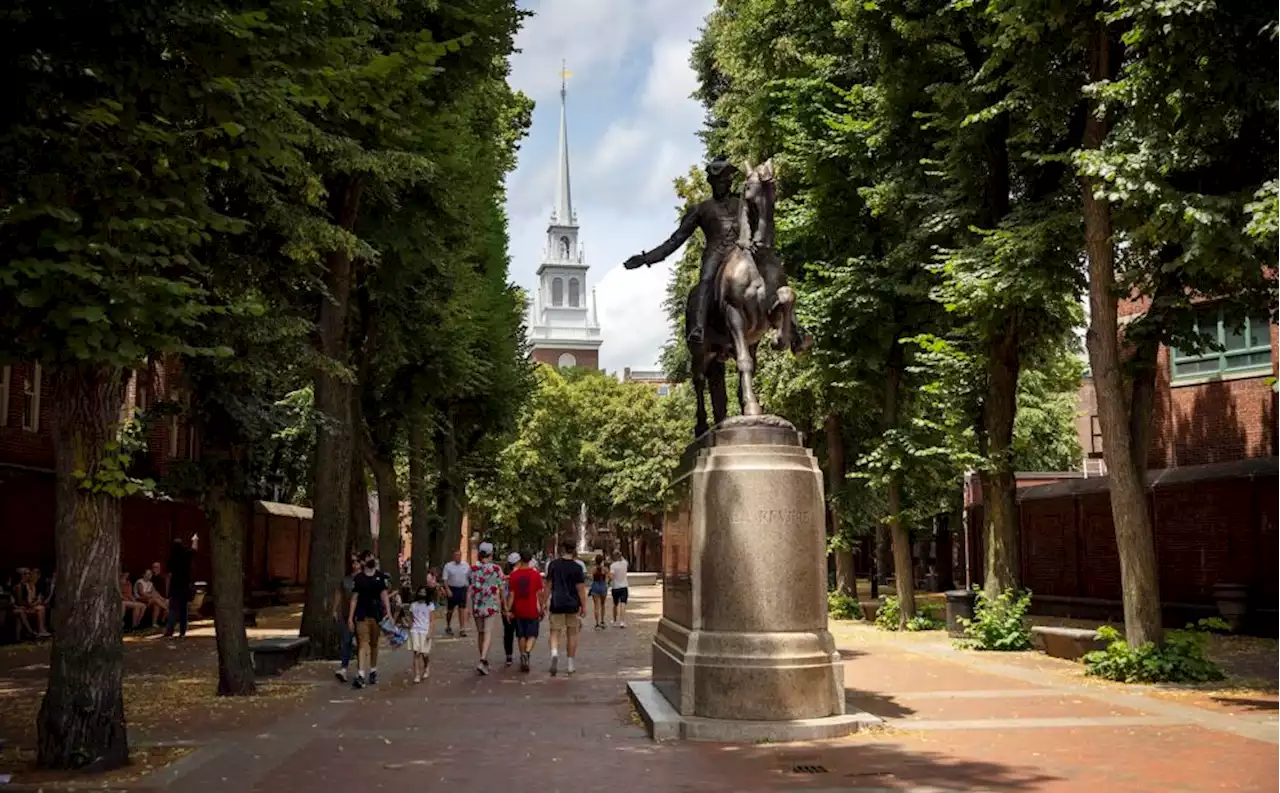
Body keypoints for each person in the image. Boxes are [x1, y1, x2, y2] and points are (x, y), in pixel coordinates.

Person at [623, 157, 743, 347]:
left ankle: (791, 327)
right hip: (717, 253)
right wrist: (646, 259)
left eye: (726, 179)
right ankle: (698, 328)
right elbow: (675, 240)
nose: (723, 183)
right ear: (711, 182)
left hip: (742, 251)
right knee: (706, 280)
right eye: (719, 180)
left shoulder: (742, 204)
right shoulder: (701, 209)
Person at [542, 541, 586, 677]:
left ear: (562, 549)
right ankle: (570, 664)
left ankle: (554, 653)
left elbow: (548, 585)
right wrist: (583, 605)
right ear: (574, 551)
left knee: (555, 631)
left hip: (557, 603)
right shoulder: (577, 568)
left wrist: (543, 601)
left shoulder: (553, 565)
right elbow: (580, 589)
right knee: (572, 633)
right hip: (572, 604)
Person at [347, 553, 391, 689]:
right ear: (363, 562)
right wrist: (350, 617)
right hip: (361, 615)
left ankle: (372, 670)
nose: (371, 559)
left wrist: (388, 612)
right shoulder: (359, 578)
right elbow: (354, 598)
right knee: (362, 643)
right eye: (368, 558)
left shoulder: (380, 577)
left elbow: (384, 595)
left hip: (376, 615)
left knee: (374, 644)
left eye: (372, 557)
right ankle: (360, 674)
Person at [468, 542, 504, 676]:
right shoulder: (496, 569)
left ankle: (483, 659)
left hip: (477, 604)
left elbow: (470, 588)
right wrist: (504, 604)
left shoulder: (473, 569)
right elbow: (501, 586)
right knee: (488, 633)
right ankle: (483, 659)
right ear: (491, 554)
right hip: (490, 605)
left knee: (480, 633)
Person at [506, 550, 544, 673]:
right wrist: (542, 607)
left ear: (520, 560)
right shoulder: (535, 575)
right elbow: (539, 594)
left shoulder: (513, 575)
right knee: (533, 634)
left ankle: (522, 653)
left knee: (521, 634)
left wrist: (508, 610)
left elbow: (511, 595)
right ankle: (526, 653)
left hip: (518, 608)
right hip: (532, 607)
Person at [333, 554, 360, 683]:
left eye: (357, 562)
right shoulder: (346, 580)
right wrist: (335, 609)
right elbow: (339, 594)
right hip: (345, 614)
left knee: (362, 643)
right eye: (353, 562)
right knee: (346, 641)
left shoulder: (364, 579)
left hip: (361, 616)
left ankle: (361, 671)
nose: (354, 565)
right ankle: (343, 668)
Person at [165, 534, 197, 638]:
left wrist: (167, 591)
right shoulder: (186, 554)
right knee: (183, 610)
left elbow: (168, 575)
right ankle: (182, 631)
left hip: (175, 587)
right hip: (185, 586)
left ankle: (170, 630)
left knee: (173, 609)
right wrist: (195, 539)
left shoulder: (171, 557)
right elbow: (194, 550)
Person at [408, 585, 435, 683]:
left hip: (425, 630)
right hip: (415, 631)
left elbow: (432, 620)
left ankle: (427, 666)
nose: (422, 594)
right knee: (416, 653)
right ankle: (417, 674)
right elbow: (411, 619)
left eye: (424, 592)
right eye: (420, 592)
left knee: (425, 654)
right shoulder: (413, 605)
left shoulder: (430, 605)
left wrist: (430, 632)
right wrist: (409, 627)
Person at [441, 551, 470, 638]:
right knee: (450, 610)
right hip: (452, 589)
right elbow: (445, 579)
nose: (457, 557)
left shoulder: (466, 565)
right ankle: (448, 625)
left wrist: (469, 589)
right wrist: (447, 589)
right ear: (453, 556)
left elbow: (469, 577)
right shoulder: (448, 566)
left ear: (461, 556)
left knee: (462, 609)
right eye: (456, 555)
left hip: (462, 589)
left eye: (459, 555)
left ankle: (462, 629)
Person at [501, 552, 520, 667]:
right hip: (517, 604)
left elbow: (502, 592)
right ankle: (524, 652)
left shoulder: (504, 576)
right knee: (521, 630)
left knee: (508, 631)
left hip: (506, 605)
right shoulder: (518, 574)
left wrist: (505, 607)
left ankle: (509, 655)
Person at [609, 551, 630, 628]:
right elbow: (623, 559)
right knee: (623, 603)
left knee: (615, 604)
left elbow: (611, 577)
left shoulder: (613, 565)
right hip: (624, 586)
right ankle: (622, 621)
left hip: (615, 587)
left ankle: (614, 621)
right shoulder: (625, 563)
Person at [589, 555, 608, 630]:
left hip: (595, 587)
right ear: (602, 561)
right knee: (603, 605)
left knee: (596, 606)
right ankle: (602, 621)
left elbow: (591, 578)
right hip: (603, 587)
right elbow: (607, 579)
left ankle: (597, 624)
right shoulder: (605, 569)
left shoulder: (593, 569)